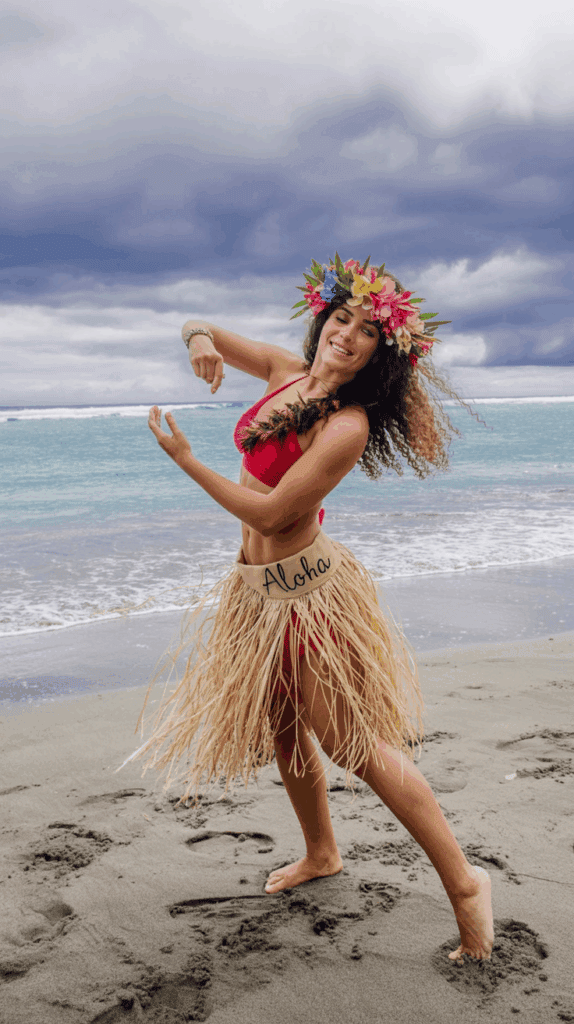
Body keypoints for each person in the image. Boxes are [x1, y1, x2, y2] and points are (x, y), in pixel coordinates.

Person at [135, 256, 494, 961]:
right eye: (341, 318)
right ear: (323, 321)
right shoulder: (282, 373)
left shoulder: (347, 427)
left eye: (367, 331)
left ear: (381, 356)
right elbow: (199, 323)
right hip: (256, 598)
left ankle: (465, 884)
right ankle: (322, 852)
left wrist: (185, 460)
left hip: (309, 601)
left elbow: (271, 515)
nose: (348, 334)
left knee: (354, 746)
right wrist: (197, 341)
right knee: (281, 727)